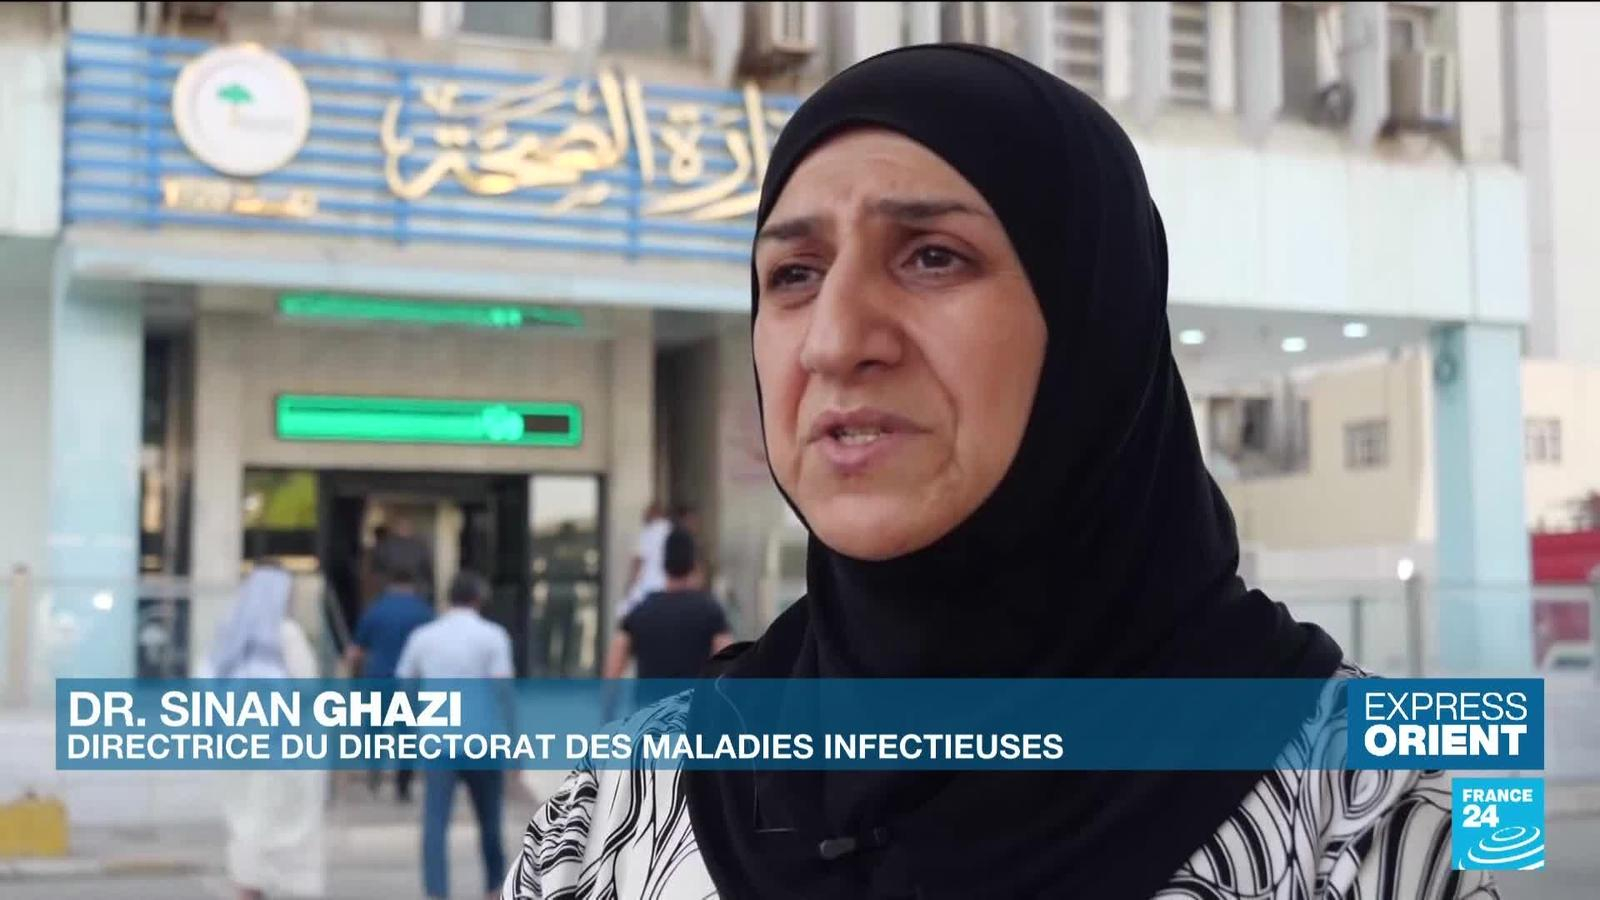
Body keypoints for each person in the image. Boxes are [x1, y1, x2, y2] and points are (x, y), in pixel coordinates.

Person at [502, 45, 1496, 900]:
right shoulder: (616, 807)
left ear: (1092, 323)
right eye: (793, 275)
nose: (835, 341)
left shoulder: (1367, 809)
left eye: (932, 257)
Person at [206, 564, 326, 899]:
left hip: (235, 752)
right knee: (286, 834)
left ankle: (247, 886)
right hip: (282, 753)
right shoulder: (286, 635)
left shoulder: (229, 635)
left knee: (246, 824)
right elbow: (308, 689)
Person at [396, 571, 515, 900]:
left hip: (438, 739)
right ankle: (494, 888)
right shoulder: (493, 636)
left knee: (435, 822)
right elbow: (503, 691)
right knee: (490, 820)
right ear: (479, 599)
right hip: (483, 738)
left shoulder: (423, 636)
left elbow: (405, 685)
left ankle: (436, 892)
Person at [603, 527, 733, 709]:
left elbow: (613, 671)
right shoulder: (710, 611)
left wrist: (607, 715)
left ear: (663, 565)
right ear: (694, 565)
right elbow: (727, 667)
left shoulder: (640, 611)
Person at [346, 548, 434, 802]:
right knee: (407, 734)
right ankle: (403, 785)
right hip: (411, 683)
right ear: (412, 585)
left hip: (378, 678)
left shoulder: (375, 610)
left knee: (375, 729)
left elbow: (356, 651)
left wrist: (351, 677)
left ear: (389, 584)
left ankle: (374, 772)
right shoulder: (423, 611)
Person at [621, 502, 672, 615]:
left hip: (648, 588)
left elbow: (638, 562)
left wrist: (629, 588)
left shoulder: (648, 533)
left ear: (655, 514)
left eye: (645, 514)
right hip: (668, 588)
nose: (643, 518)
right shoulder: (673, 532)